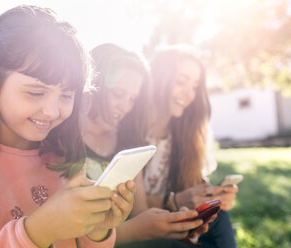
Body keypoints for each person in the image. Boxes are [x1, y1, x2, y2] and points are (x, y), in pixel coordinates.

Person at [0, 6, 136, 248]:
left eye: (66, 96)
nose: (52, 111)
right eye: (36, 92)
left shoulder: (61, 152)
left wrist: (98, 230)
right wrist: (40, 229)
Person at [81, 43, 207, 248]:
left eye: (132, 99)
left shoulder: (126, 142)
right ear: (93, 83)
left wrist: (171, 222)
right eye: (118, 94)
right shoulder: (64, 139)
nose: (125, 107)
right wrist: (134, 231)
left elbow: (140, 212)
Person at [144, 45, 238, 248]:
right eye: (181, 82)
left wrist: (212, 195)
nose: (189, 94)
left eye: (195, 86)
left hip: (177, 220)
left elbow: (191, 186)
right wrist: (174, 200)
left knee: (220, 217)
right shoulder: (133, 130)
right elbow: (132, 209)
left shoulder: (184, 134)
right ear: (159, 80)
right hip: (143, 226)